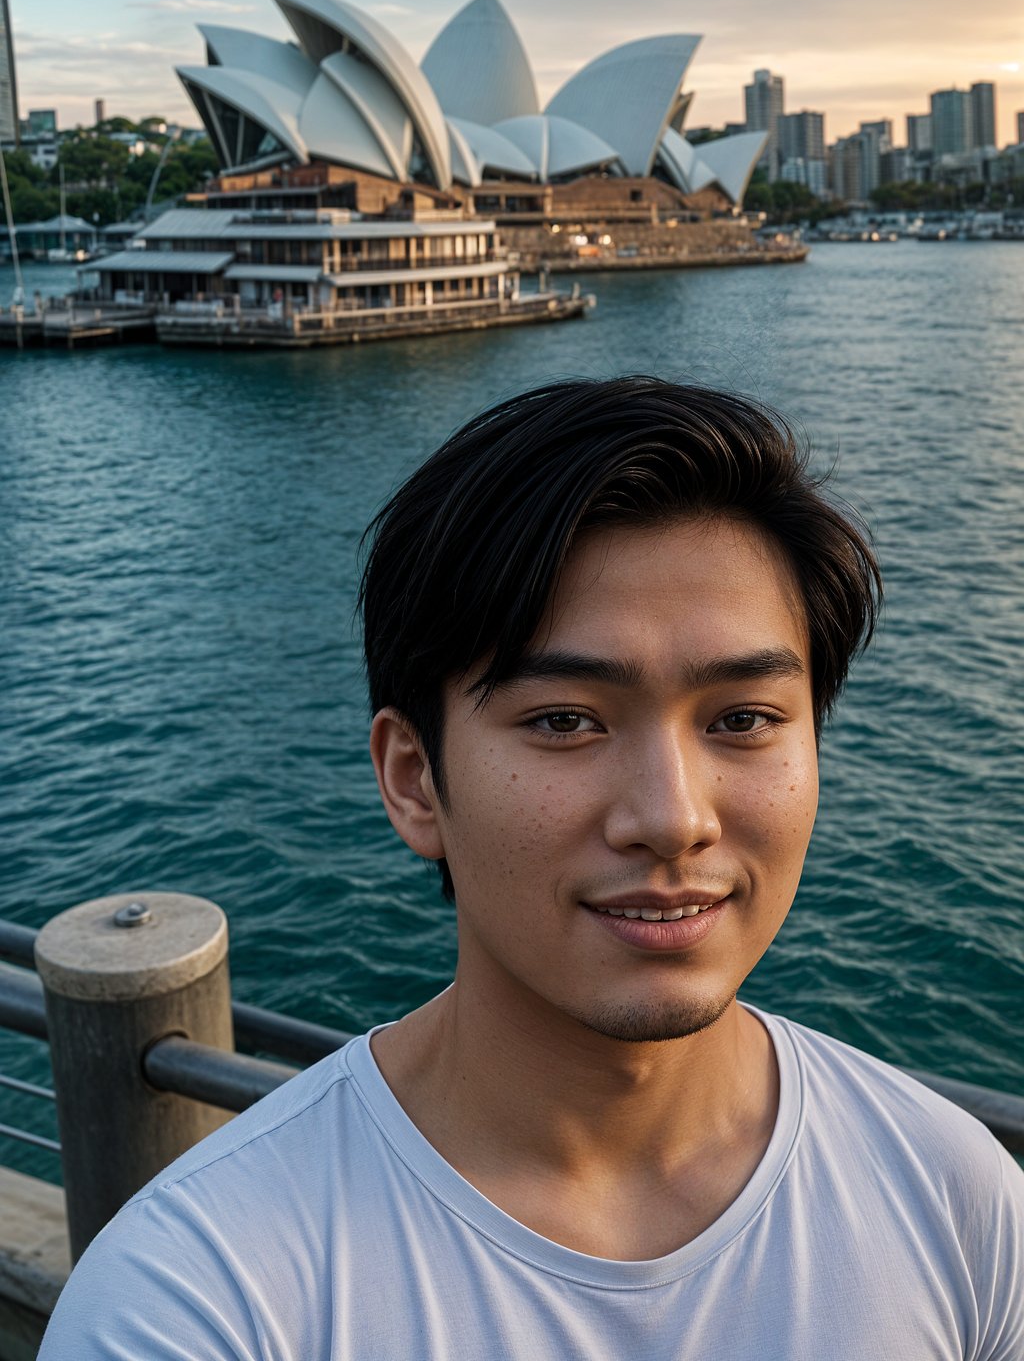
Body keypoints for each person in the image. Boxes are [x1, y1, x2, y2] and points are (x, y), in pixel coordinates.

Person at [41, 377, 1023, 1359]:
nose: (673, 819)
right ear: (415, 780)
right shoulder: (197, 1301)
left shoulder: (959, 1205)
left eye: (742, 719)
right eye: (564, 721)